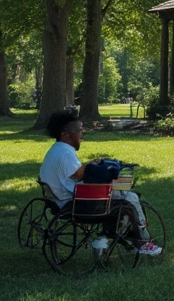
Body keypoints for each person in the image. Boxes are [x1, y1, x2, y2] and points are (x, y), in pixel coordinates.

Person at [39, 108, 161, 256]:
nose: (81, 134)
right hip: (75, 201)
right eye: (78, 131)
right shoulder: (65, 153)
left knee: (121, 190)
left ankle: (119, 233)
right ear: (65, 134)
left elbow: (75, 175)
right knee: (130, 197)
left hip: (62, 198)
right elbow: (78, 175)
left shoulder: (56, 150)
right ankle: (143, 241)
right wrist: (93, 165)